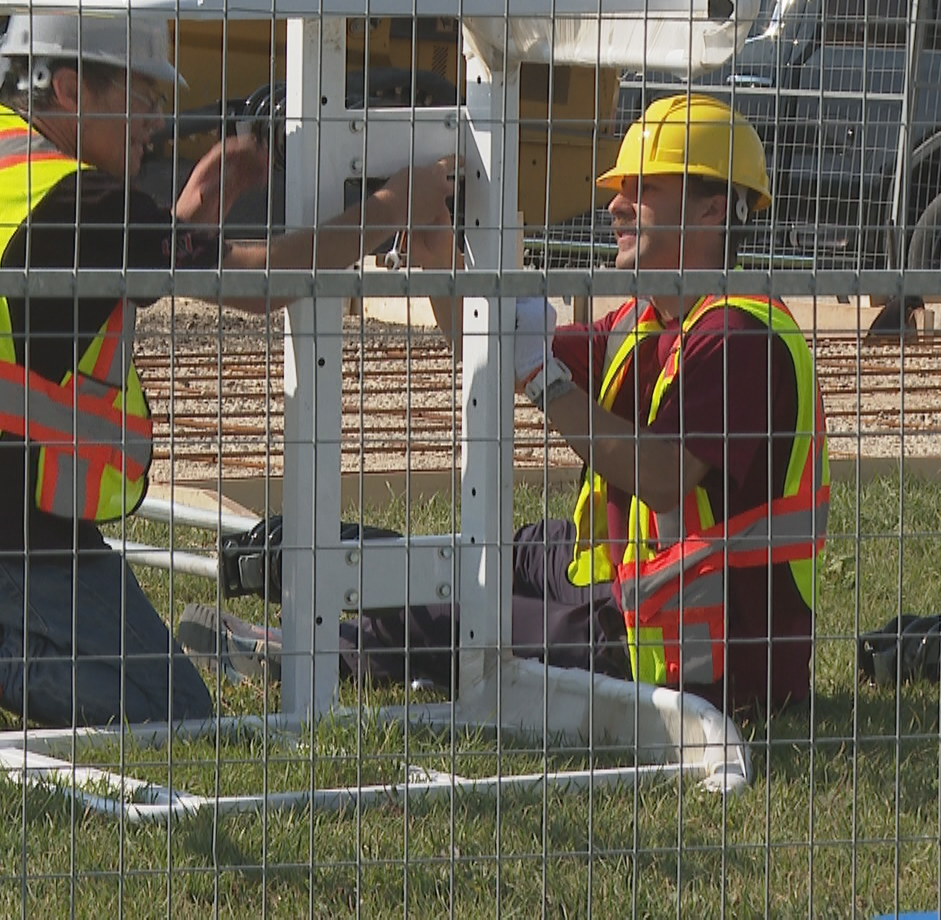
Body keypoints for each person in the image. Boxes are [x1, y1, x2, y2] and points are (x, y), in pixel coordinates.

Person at [0, 0, 457, 741]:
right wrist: (393, 207)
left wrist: (193, 209)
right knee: (174, 711)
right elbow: (265, 283)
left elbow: (72, 294)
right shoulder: (75, 203)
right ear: (68, 85)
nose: (155, 123)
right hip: (1, 534)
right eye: (142, 96)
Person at [179, 94, 829, 719]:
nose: (617, 206)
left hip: (693, 650)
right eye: (621, 188)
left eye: (645, 190)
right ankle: (329, 573)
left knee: (456, 613)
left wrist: (543, 378)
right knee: (477, 555)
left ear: (715, 211)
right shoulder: (649, 323)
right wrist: (439, 257)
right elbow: (484, 337)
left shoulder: (740, 339)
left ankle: (302, 653)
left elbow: (661, 480)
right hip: (624, 578)